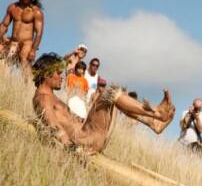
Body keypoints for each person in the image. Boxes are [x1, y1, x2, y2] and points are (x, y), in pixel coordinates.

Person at [31, 53, 175, 155]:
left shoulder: (51, 97)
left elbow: (65, 122)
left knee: (113, 95)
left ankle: (154, 122)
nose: (62, 76)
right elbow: (53, 128)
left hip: (89, 135)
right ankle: (156, 114)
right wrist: (74, 150)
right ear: (46, 74)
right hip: (85, 140)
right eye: (57, 72)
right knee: (111, 93)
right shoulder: (43, 99)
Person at [0, 0, 44, 78]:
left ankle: (28, 86)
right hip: (13, 42)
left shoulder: (36, 12)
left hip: (27, 43)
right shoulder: (12, 8)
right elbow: (4, 25)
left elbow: (39, 33)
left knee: (24, 60)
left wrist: (33, 49)